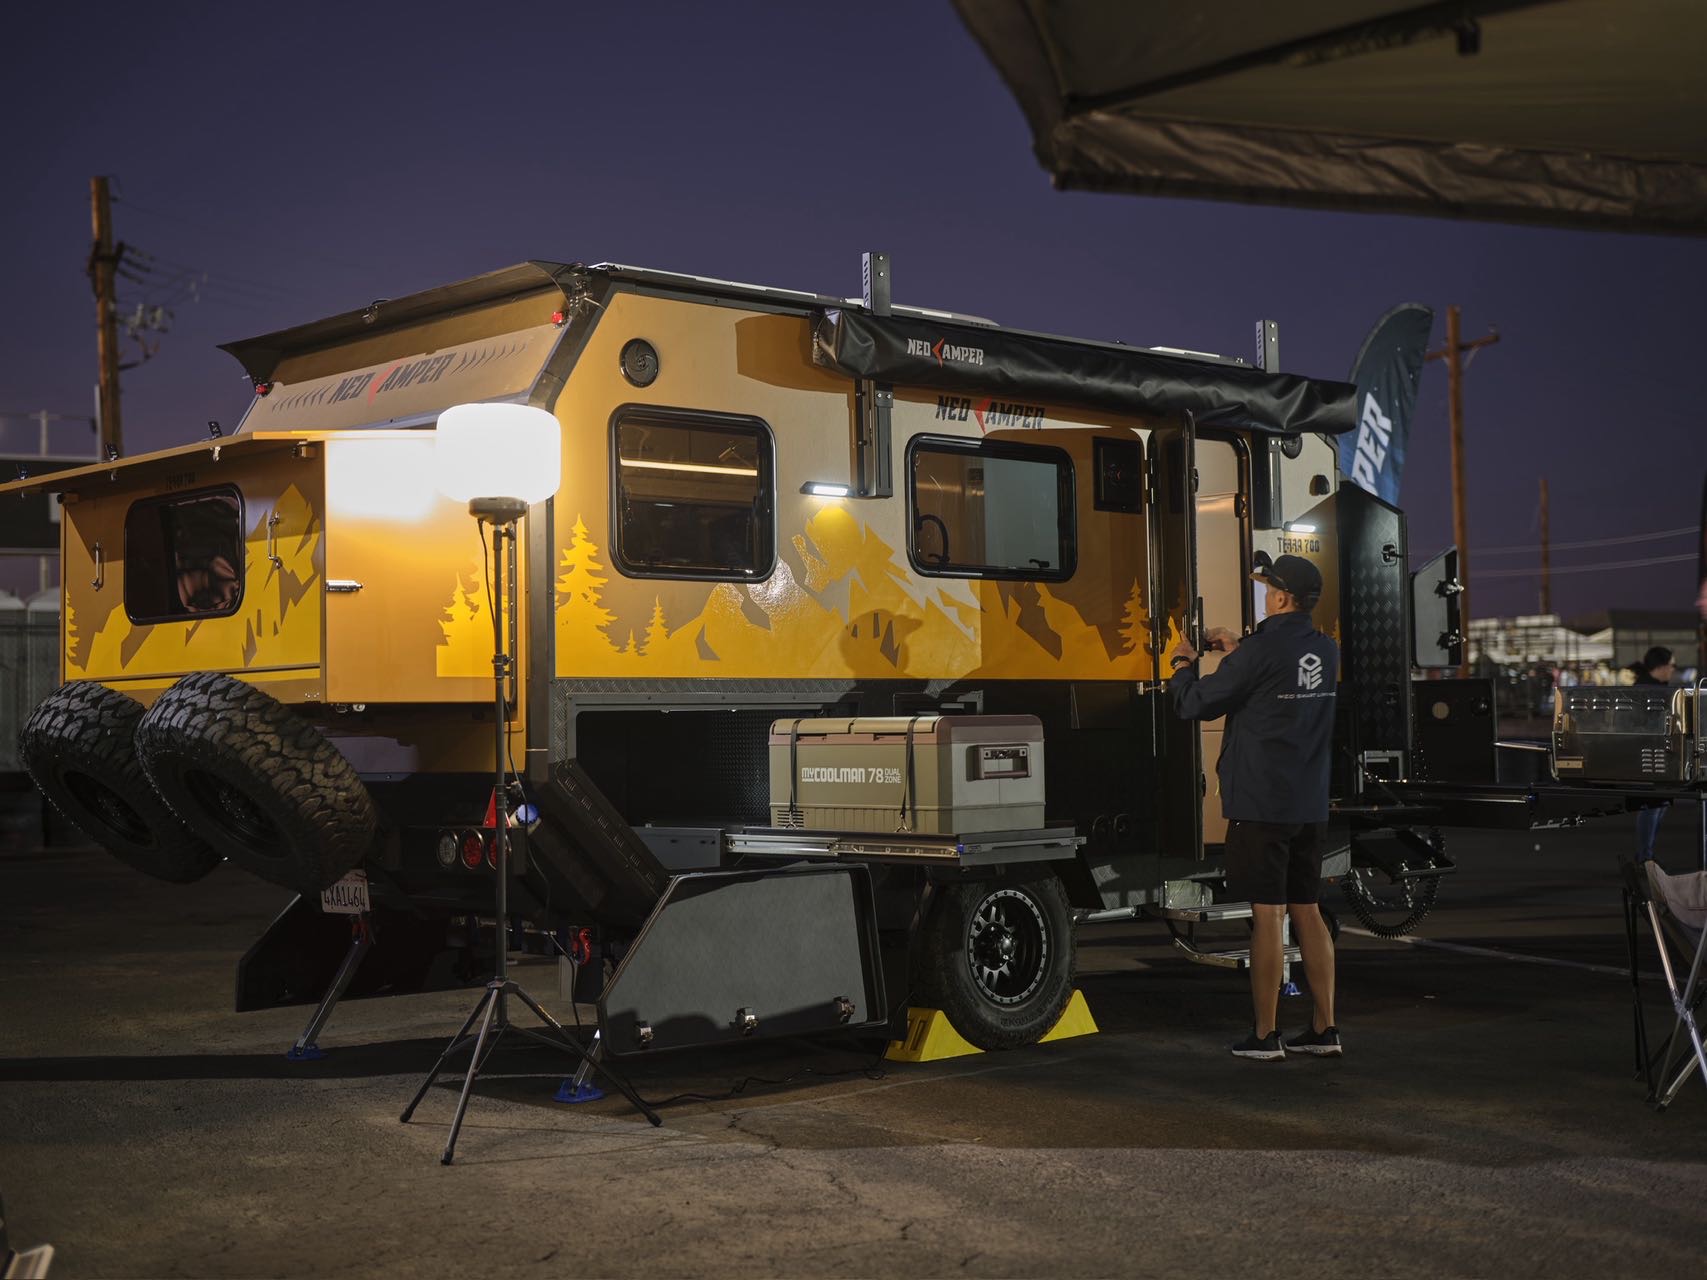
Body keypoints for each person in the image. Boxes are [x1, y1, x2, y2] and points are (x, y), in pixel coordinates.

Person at [1168, 553, 1341, 1061]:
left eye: (1268, 588)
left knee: (1267, 918)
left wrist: (1183, 662)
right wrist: (1238, 647)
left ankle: (1266, 1036)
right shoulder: (1325, 650)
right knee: (1306, 910)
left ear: (1282, 598)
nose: (1265, 594)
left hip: (1262, 804)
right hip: (1309, 804)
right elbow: (1277, 666)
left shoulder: (1260, 653)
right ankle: (1325, 1027)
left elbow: (1192, 704)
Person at [1631, 645, 1677, 863]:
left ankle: (1646, 854)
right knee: (1653, 805)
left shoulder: (1649, 686)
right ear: (1661, 666)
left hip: (1652, 751)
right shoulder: (1649, 690)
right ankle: (1645, 856)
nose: (1673, 670)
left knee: (1658, 805)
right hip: (1649, 753)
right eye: (1671, 665)